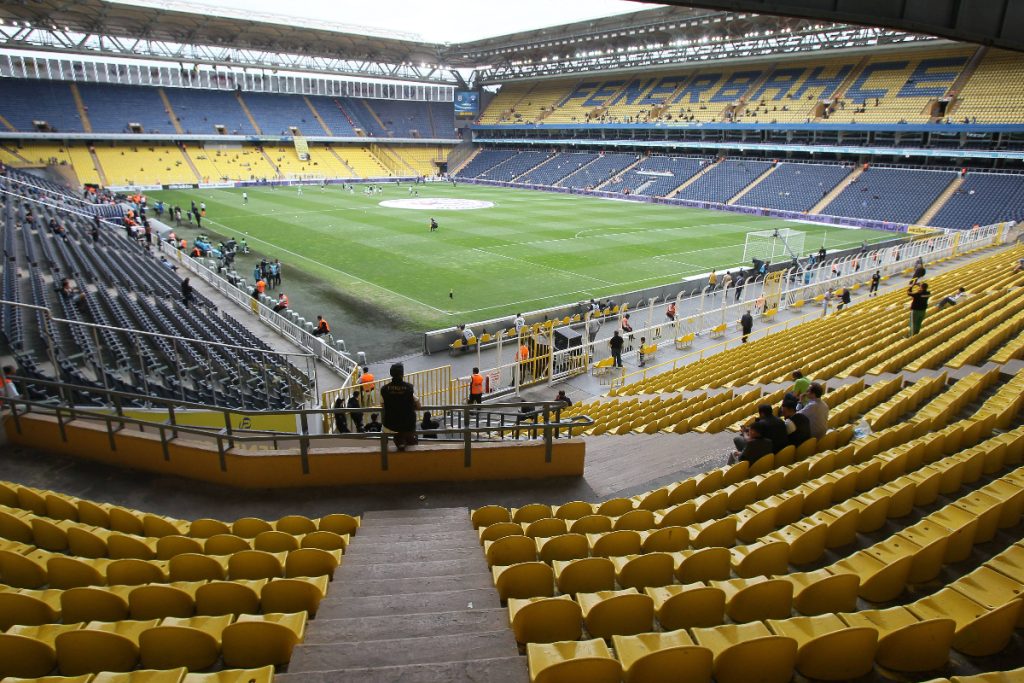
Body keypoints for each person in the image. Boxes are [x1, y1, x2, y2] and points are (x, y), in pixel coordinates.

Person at [379, 363, 420, 450]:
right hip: (408, 424)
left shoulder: (384, 389)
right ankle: (406, 442)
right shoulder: (409, 388)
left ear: (391, 374)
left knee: (385, 431)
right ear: (402, 374)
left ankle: (397, 442)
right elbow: (418, 405)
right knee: (409, 433)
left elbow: (382, 405)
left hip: (390, 424)